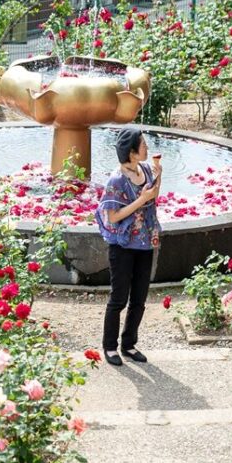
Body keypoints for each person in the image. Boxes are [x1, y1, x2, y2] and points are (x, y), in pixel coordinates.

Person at [95, 128, 162, 366]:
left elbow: (152, 197)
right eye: (142, 144)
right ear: (132, 152)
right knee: (119, 298)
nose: (146, 147)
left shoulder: (144, 169)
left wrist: (159, 175)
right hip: (123, 245)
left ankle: (129, 344)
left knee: (139, 298)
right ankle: (110, 346)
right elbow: (113, 217)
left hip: (145, 242)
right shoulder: (117, 180)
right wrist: (141, 200)